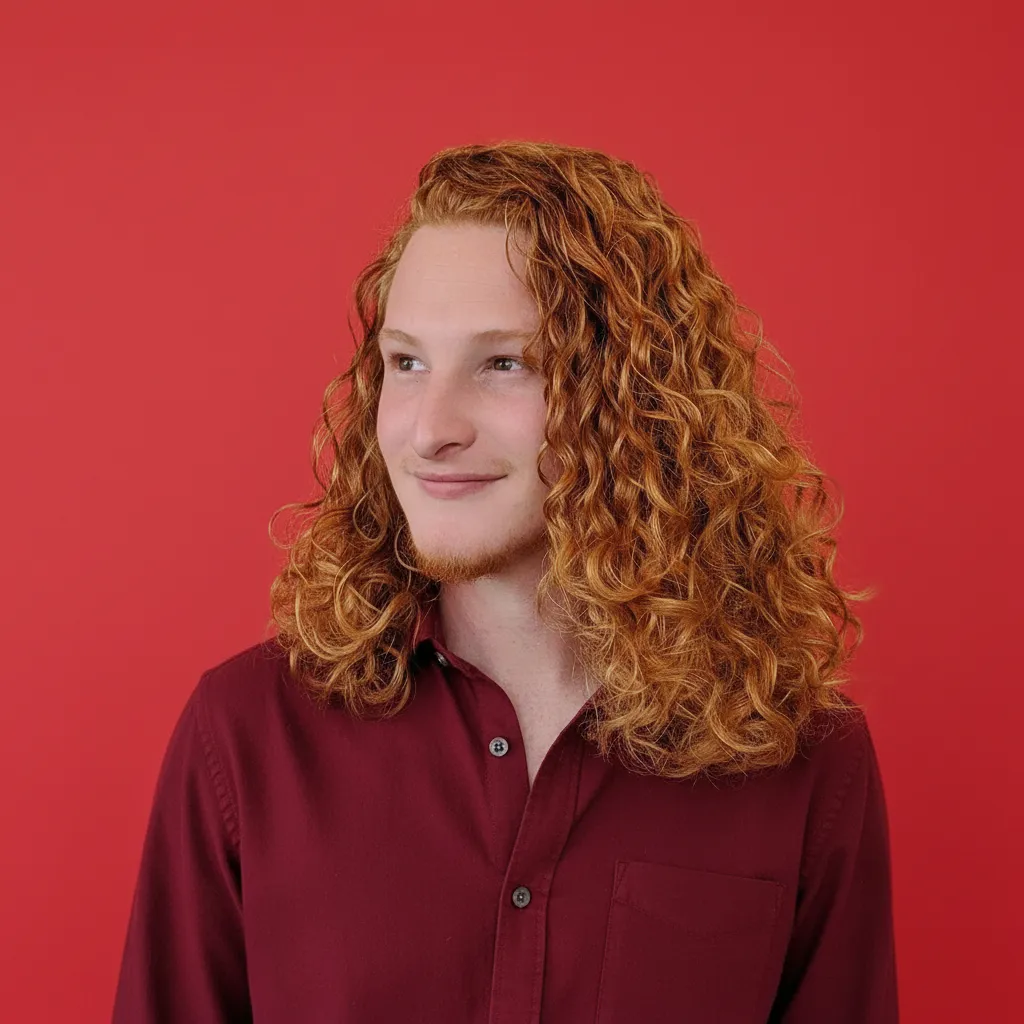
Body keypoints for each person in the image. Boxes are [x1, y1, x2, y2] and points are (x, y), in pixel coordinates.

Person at [112, 140, 898, 1022]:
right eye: (407, 362)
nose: (430, 430)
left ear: (634, 397)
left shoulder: (801, 759)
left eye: (504, 364)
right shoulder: (247, 735)